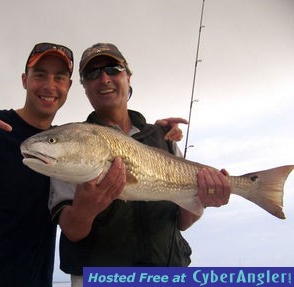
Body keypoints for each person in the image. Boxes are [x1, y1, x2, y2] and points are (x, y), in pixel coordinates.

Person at [0, 42, 185, 287]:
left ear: (70, 87)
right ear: (24, 79)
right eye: (40, 75)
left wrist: (155, 134)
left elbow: (106, 144)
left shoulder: (70, 143)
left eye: (60, 78)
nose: (50, 86)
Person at [49, 43, 231, 287]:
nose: (104, 79)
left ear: (128, 76)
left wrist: (203, 200)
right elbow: (71, 229)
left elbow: (181, 221)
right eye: (92, 74)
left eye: (113, 69)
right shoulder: (72, 142)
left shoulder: (163, 138)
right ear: (84, 87)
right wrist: (87, 210)